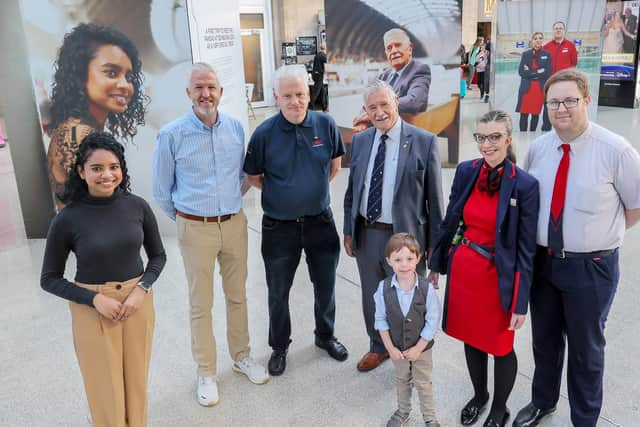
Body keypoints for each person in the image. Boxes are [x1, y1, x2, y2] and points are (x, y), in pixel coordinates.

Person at [513, 69, 640, 427]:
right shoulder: (538, 148)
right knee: (545, 341)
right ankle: (543, 401)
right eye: (554, 102)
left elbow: (635, 207)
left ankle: (584, 419)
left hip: (592, 268)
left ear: (587, 101)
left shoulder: (616, 151)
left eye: (570, 100)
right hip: (543, 263)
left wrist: (595, 236)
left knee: (586, 351)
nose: (561, 108)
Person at [152, 62, 268, 407]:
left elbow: (244, 177)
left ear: (220, 91)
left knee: (238, 296)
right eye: (199, 87)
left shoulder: (235, 128)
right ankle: (206, 371)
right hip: (195, 228)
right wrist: (189, 218)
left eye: (212, 87)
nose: (206, 94)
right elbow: (161, 191)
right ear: (188, 93)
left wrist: (229, 206)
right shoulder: (172, 134)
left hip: (234, 224)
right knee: (200, 303)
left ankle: (242, 355)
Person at [40, 132, 166, 427]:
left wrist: (141, 290)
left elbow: (158, 256)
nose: (107, 175)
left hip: (138, 303)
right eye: (96, 168)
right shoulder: (67, 219)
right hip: (92, 308)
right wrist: (94, 299)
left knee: (136, 383)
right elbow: (49, 278)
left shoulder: (138, 206)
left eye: (114, 166)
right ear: (81, 172)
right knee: (105, 389)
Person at [429, 110, 539, 427]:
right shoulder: (467, 172)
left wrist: (520, 302)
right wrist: (436, 262)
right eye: (481, 137)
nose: (487, 144)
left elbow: (525, 249)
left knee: (501, 346)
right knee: (471, 337)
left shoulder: (525, 185)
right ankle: (479, 396)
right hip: (465, 271)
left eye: (494, 137)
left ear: (507, 139)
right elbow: (450, 220)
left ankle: (498, 408)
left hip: (497, 277)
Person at [244, 64, 348, 376]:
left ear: (308, 93)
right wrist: (284, 195)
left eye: (300, 94)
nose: (295, 101)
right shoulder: (264, 134)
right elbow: (253, 177)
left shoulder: (326, 124)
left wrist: (309, 193)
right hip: (279, 228)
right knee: (278, 292)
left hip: (321, 222)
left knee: (326, 286)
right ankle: (279, 346)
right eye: (287, 95)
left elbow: (333, 167)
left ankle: (325, 336)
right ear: (276, 97)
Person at [343, 80, 444, 372]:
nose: (379, 112)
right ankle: (378, 347)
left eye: (384, 104)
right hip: (367, 233)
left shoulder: (424, 141)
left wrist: (435, 246)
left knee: (409, 300)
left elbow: (435, 200)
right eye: (372, 107)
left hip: (406, 239)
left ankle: (414, 353)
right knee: (373, 296)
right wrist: (349, 229)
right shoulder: (361, 141)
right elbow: (353, 190)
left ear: (396, 101)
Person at [46, 23, 147, 211]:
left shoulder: (82, 128)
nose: (125, 85)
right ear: (80, 75)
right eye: (111, 73)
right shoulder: (77, 134)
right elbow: (95, 210)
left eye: (129, 77)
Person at [374, 233, 442, 427]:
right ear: (389, 261)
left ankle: (430, 417)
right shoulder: (383, 288)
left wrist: (419, 348)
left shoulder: (426, 289)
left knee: (423, 383)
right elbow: (380, 320)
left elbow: (432, 320)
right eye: (398, 259)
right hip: (397, 349)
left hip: (422, 349)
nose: (404, 264)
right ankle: (403, 411)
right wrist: (390, 349)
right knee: (402, 379)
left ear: (418, 258)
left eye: (409, 258)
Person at [353, 28, 431, 131]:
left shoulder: (419, 70)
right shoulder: (383, 76)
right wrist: (363, 121)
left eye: (398, 45)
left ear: (410, 48)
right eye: (389, 48)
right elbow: (368, 103)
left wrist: (375, 112)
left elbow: (414, 101)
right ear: (386, 53)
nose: (394, 51)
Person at [540, 21, 577, 131]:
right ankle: (546, 127)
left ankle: (565, 126)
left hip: (565, 83)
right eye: (556, 28)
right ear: (553, 31)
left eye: (560, 28)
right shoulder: (546, 47)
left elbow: (574, 63)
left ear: (564, 30)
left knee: (566, 104)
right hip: (549, 82)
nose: (558, 30)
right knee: (549, 104)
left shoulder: (570, 46)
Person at [516, 32, 551, 132]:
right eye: (535, 38)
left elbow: (547, 72)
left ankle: (532, 135)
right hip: (526, 88)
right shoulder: (525, 54)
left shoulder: (547, 54)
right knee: (524, 114)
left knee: (535, 115)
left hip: (539, 88)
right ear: (532, 40)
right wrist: (538, 72)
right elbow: (521, 72)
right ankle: (522, 136)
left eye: (540, 38)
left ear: (542, 40)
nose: (538, 40)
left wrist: (530, 72)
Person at [310, 43, 327, 111]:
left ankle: (324, 106)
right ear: (325, 48)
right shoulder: (324, 56)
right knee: (315, 92)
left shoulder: (317, 54)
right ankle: (310, 107)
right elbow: (326, 68)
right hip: (319, 75)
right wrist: (326, 76)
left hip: (315, 74)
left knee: (322, 91)